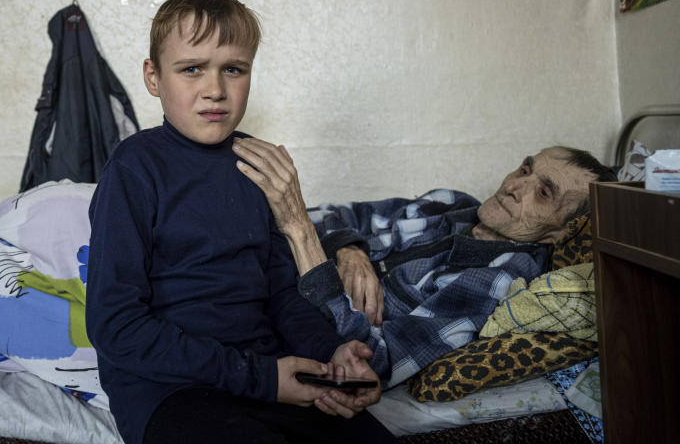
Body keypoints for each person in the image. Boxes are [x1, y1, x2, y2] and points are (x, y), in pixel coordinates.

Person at [86, 0, 395, 444]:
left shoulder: (256, 165)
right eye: (191, 69)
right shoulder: (135, 168)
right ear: (153, 78)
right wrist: (262, 378)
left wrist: (332, 354)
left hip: (269, 375)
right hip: (173, 390)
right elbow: (116, 326)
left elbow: (283, 294)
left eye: (233, 69)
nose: (214, 89)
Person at [231, 140, 616, 388]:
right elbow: (331, 212)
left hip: (287, 326)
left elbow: (378, 361)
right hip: (263, 276)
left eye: (543, 192)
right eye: (525, 169)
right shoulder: (449, 204)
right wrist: (349, 250)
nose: (516, 185)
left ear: (558, 235)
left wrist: (318, 261)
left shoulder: (498, 277)